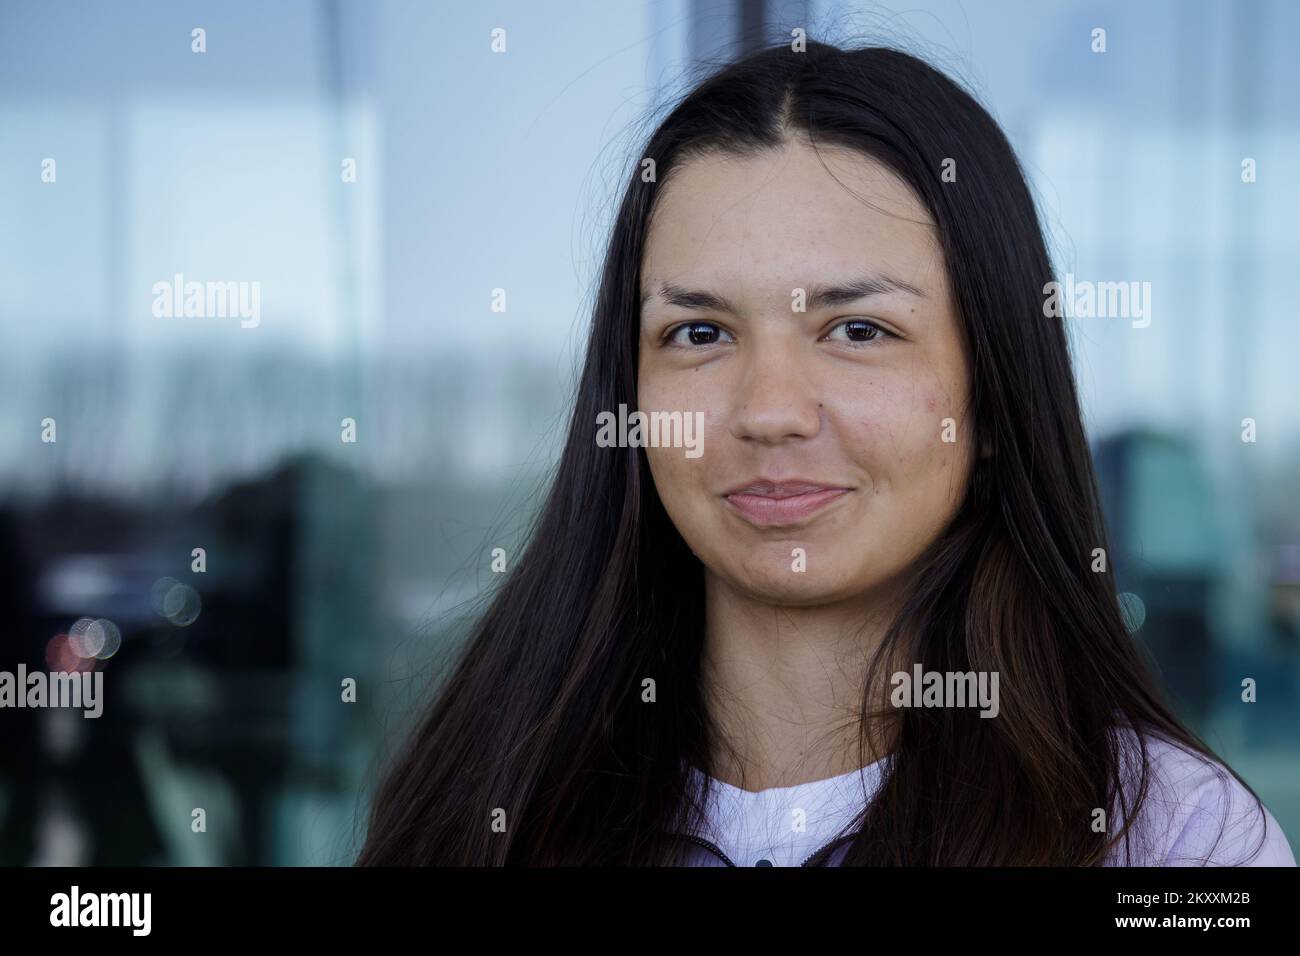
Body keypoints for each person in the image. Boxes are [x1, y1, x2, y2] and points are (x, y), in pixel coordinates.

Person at [357, 40, 1295, 866]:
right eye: (697, 333)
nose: (769, 412)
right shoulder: (480, 809)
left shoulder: (1175, 842)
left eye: (857, 329)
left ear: (996, 386)